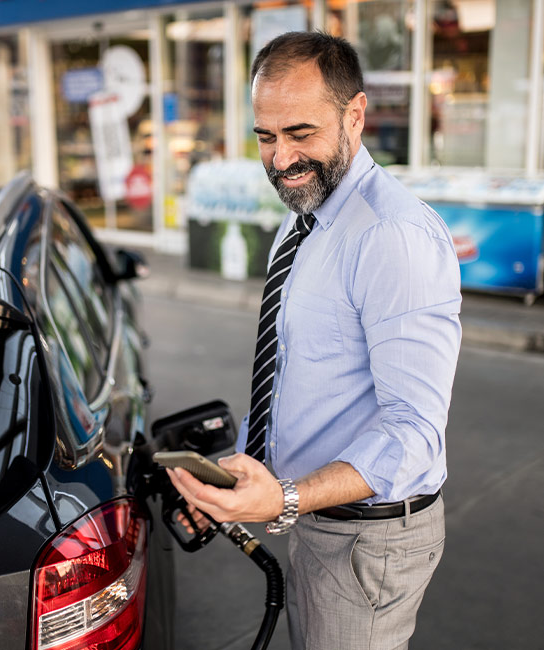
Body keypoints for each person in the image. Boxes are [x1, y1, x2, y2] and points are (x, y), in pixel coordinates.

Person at [167, 31, 462, 650]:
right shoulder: (305, 218)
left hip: (366, 540)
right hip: (317, 518)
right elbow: (293, 374)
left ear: (354, 115)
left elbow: (414, 430)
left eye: (300, 134)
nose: (280, 160)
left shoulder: (393, 236)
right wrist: (239, 476)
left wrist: (288, 496)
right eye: (266, 137)